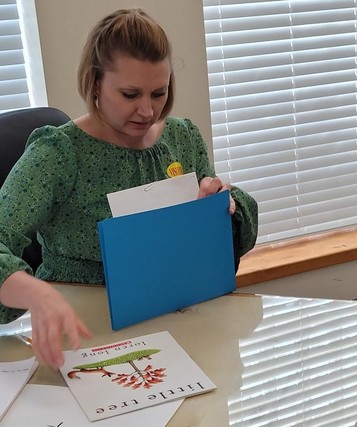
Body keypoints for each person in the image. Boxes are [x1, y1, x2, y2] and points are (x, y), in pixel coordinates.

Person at [0, 9, 258, 369]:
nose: (147, 110)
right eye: (130, 94)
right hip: (82, 337)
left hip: (177, 322)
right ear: (94, 84)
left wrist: (215, 209)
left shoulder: (182, 138)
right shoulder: (58, 154)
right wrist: (36, 294)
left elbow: (212, 248)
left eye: (159, 93)